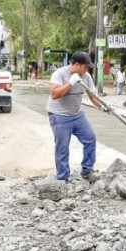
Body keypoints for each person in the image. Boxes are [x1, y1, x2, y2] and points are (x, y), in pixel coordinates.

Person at [46, 51, 106, 182]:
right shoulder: (60, 74)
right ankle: (63, 178)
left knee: (90, 138)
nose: (87, 69)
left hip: (77, 115)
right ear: (77, 64)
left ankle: (87, 171)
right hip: (59, 116)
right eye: (85, 66)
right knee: (62, 147)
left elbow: (92, 96)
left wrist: (102, 106)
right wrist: (70, 83)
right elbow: (54, 95)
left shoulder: (86, 76)